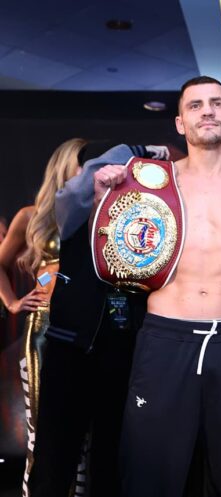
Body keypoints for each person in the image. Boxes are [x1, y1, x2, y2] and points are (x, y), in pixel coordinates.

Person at [95, 76, 221, 496]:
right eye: (195, 105)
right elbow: (111, 261)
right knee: (148, 477)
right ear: (179, 123)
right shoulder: (150, 183)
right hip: (165, 339)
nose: (207, 111)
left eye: (217, 103)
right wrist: (104, 197)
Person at [27, 141, 166, 497]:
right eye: (90, 167)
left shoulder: (141, 215)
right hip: (68, 343)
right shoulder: (70, 208)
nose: (103, 172)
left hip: (123, 346)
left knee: (112, 457)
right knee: (54, 456)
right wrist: (137, 149)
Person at [0, 138, 86, 497]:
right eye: (85, 163)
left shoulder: (104, 211)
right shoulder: (31, 216)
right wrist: (12, 302)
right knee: (42, 429)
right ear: (67, 166)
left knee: (87, 433)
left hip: (90, 326)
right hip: (45, 329)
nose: (91, 170)